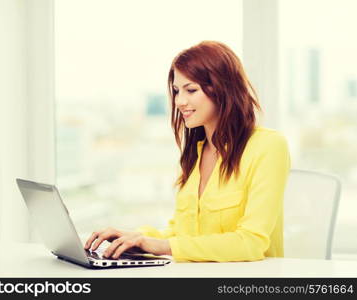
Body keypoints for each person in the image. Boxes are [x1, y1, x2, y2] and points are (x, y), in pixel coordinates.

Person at [84, 40, 291, 262]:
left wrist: (161, 245)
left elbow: (250, 243)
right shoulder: (197, 153)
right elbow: (182, 236)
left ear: (223, 88)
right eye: (176, 91)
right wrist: (136, 238)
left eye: (191, 90)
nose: (180, 101)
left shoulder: (269, 147)